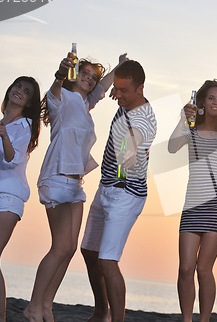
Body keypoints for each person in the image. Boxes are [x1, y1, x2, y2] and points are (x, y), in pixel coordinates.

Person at [24, 52, 127, 322]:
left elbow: (103, 86)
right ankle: (34, 306)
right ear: (74, 74)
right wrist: (61, 73)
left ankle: (46, 305)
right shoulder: (62, 99)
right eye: (85, 74)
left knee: (68, 249)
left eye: (92, 78)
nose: (90, 79)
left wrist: (120, 66)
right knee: (59, 247)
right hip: (57, 178)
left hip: (75, 183)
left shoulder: (83, 104)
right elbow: (56, 87)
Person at [80, 59, 157, 322]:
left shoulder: (143, 122)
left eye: (125, 90)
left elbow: (131, 158)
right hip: (107, 187)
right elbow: (121, 86)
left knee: (108, 261)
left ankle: (117, 319)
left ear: (141, 88)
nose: (119, 95)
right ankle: (102, 311)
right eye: (118, 89)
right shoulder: (126, 100)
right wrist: (118, 82)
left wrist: (129, 145)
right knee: (89, 251)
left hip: (127, 194)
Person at [168, 80, 217, 322]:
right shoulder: (190, 129)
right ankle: (186, 319)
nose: (215, 102)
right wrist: (183, 118)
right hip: (192, 206)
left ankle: (203, 319)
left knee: (203, 269)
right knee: (185, 268)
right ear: (202, 102)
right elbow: (172, 147)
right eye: (211, 98)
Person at [0, 76, 41, 322]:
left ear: (29, 102)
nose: (20, 91)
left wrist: (5, 136)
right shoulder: (0, 123)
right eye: (18, 86)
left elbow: (12, 159)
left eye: (26, 91)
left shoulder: (24, 126)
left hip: (8, 196)